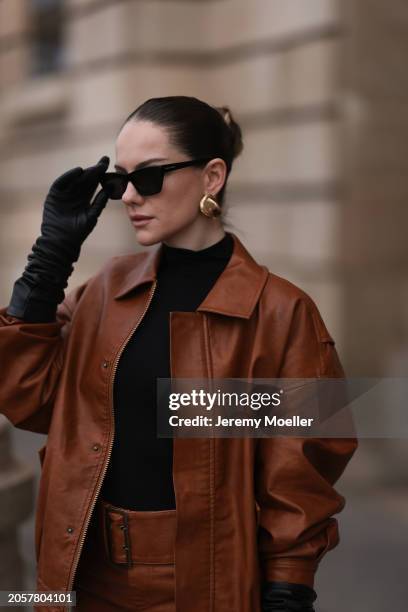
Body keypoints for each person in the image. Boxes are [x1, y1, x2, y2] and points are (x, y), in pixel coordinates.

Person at [0, 96, 357, 612]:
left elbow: (300, 474)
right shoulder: (105, 290)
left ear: (212, 176)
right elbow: (28, 398)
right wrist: (50, 259)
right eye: (120, 181)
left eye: (149, 177)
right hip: (78, 574)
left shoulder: (280, 313)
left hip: (201, 585)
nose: (128, 197)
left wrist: (288, 588)